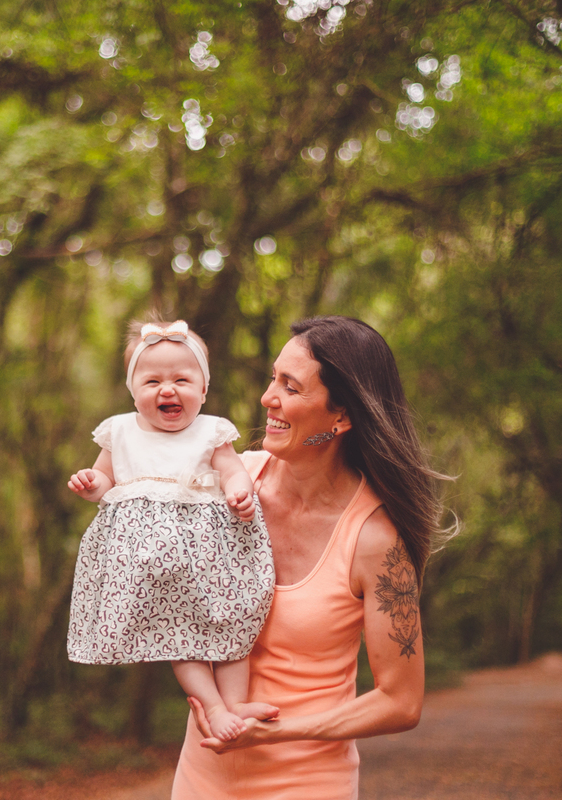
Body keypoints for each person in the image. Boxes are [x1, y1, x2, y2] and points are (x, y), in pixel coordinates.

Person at [171, 315, 451, 799]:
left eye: (290, 386)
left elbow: (401, 702)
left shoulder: (376, 540)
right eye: (273, 377)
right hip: (201, 775)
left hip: (306, 782)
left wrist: (278, 733)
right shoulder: (231, 482)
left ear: (340, 416)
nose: (268, 398)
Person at [67, 318, 277, 741]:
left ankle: (235, 703)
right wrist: (91, 484)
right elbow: (106, 482)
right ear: (133, 391)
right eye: (152, 381)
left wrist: (240, 493)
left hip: (212, 554)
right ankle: (214, 708)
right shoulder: (120, 431)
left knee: (232, 623)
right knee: (180, 637)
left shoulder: (211, 430)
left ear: (203, 389)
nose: (168, 389)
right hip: (148, 564)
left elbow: (233, 471)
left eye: (182, 378)